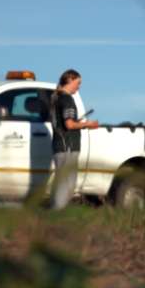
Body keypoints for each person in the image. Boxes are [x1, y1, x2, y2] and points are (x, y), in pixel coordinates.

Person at [50, 69, 99, 210]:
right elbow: (69, 124)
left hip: (59, 146)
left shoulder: (56, 97)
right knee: (67, 184)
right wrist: (88, 124)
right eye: (78, 83)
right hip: (68, 147)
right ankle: (57, 215)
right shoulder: (66, 99)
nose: (79, 87)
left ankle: (54, 213)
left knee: (60, 182)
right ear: (70, 80)